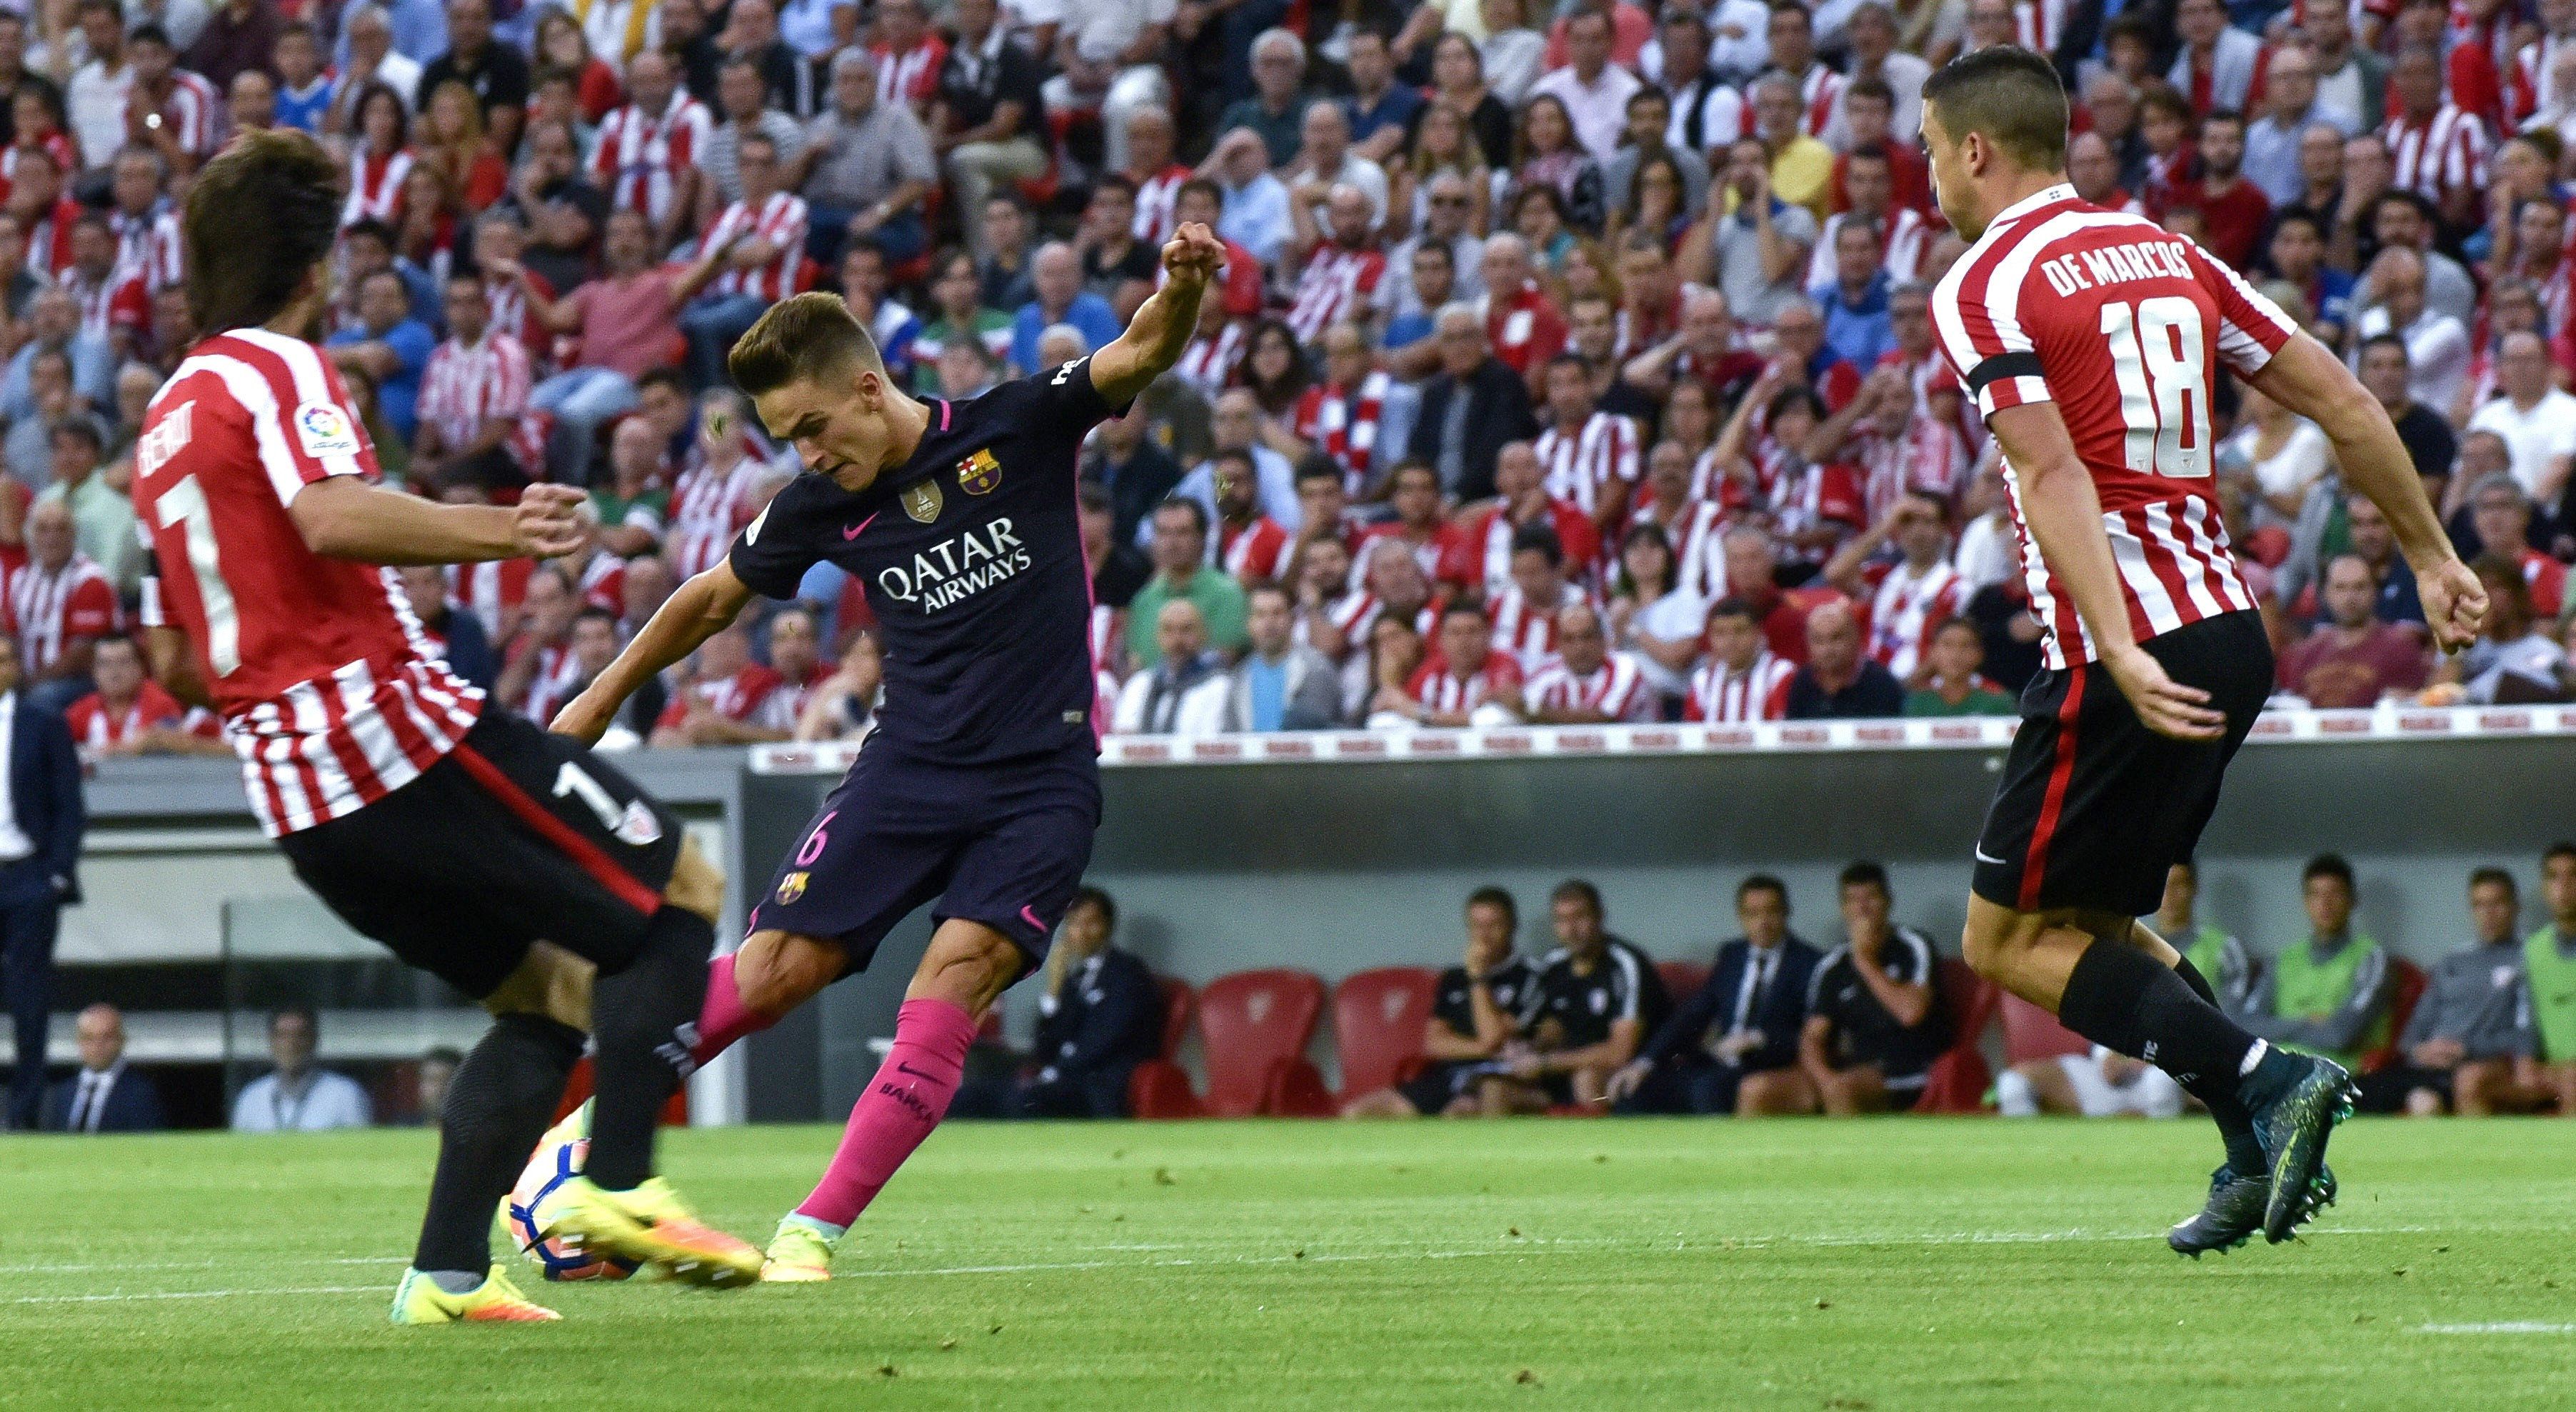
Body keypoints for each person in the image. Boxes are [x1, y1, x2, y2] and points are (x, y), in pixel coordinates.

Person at [134, 131, 755, 1321]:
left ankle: (447, 1274)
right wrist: (504, 531)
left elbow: (176, 652)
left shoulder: (166, 420)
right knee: (677, 884)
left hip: (301, 802)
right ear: (312, 271)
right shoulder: (279, 370)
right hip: (389, 736)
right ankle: (615, 1185)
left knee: (548, 994)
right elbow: (327, 514)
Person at [548, 222, 1227, 1282]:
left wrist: (1180, 287)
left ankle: (808, 1236)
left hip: (1038, 781)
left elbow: (1139, 350)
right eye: (786, 438)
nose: (807, 453)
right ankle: (572, 1155)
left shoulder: (1019, 422)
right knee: (776, 969)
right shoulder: (820, 501)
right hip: (904, 772)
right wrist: (595, 700)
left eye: (813, 425)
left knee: (953, 975)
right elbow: (707, 600)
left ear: (868, 388)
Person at [1919, 47, 2482, 1251]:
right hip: (2229, 630)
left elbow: (2049, 467)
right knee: (2106, 923)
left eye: (1928, 151)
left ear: (1975, 149)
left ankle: (2272, 1081)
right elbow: (2342, 401)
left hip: (2127, 646)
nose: (1927, 179)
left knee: (2004, 938)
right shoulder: (2170, 253)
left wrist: (2114, 645)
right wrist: (2432, 556)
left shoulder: (1982, 284)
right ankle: (2248, 1154)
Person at [1607, 874, 1821, 1116]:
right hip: (1718, 1062)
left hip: (1766, 1065)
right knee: (1635, 1093)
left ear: (1786, 913)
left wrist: (1758, 1038)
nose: (1762, 923)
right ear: (1741, 918)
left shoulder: (1809, 963)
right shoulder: (1733, 956)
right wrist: (1644, 1062)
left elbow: (1811, 1032)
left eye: (1771, 912)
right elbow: (1694, 1014)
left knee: (1708, 1090)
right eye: (1753, 914)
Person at [2355, 868, 2550, 1116]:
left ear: (2515, 907)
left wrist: (2466, 1049)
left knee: (2427, 1102)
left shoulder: (2529, 957)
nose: (2488, 914)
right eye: (2479, 905)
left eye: (2497, 903)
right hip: (2425, 1065)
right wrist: (2419, 1051)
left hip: (2473, 1065)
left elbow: (2525, 1034)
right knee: (2352, 1094)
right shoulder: (2452, 961)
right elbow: (2412, 1032)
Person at [954, 888, 1162, 1119]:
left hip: (1095, 1085)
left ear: (1108, 926)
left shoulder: (1127, 975)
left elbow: (1105, 1041)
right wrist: (1053, 991)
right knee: (968, 1098)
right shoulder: (1074, 980)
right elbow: (1044, 1049)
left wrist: (1054, 1072)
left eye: (1090, 924)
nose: (1081, 933)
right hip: (1057, 1080)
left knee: (1023, 1102)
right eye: (1073, 924)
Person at [1343, 886, 1537, 1118]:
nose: (1484, 935)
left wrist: (1478, 978)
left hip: (1495, 1077)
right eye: (1477, 926)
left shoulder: (1529, 975)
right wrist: (1483, 1048)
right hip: (1447, 1074)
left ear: (1512, 926)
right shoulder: (1453, 978)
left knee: (1457, 1114)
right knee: (1357, 1113)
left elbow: (1493, 1036)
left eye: (1494, 926)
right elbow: (1435, 1044)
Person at [1488, 880, 1668, 1111]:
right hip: (1563, 1070)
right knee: (1493, 1090)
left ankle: (1602, 1147)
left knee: (1586, 1081)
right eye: (1562, 920)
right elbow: (1549, 1024)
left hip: (1629, 1076)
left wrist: (1546, 1063)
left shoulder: (1624, 963)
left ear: (1599, 917)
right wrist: (1530, 1047)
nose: (1571, 929)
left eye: (1579, 917)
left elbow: (1620, 1052)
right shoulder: (1554, 964)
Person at [0, 634, 82, 1132]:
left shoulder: (43, 723)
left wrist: (56, 873)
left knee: (30, 1004)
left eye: (7, 658)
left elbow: (69, 803)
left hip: (28, 875)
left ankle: (24, 1117)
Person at [1795, 861, 1947, 1116]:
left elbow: (1911, 1013)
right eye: (1853, 901)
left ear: (1888, 901)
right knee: (1758, 1090)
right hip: (1859, 1072)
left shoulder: (1913, 946)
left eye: (1871, 898)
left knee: (1843, 1091)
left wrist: (1865, 961)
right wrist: (1825, 1081)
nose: (1863, 909)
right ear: (1843, 909)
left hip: (1913, 1073)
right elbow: (1813, 1038)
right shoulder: (1833, 966)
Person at [2241, 855, 2392, 1079]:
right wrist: (2308, 1021)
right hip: (2281, 1076)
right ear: (2305, 901)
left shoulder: (2371, 958)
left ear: (2352, 900)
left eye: (2335, 894)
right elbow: (2245, 1026)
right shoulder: (2283, 960)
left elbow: (2340, 1035)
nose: (2325, 903)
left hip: (2347, 1078)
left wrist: (2280, 1028)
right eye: (2315, 894)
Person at [2276, 554, 2429, 707]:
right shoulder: (2305, 654)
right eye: (2340, 587)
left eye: (2359, 587)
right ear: (2325, 593)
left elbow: (2414, 707)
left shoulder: (2400, 649)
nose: (2350, 598)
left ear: (2375, 591)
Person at [230, 1006, 373, 1131]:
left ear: (314, 1040)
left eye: (300, 1035)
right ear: (271, 1041)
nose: (291, 1044)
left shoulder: (345, 1095)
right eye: (283, 1036)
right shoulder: (251, 1098)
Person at [1223, 582, 1340, 731]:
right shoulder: (1239, 676)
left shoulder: (1317, 669)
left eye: (1277, 613)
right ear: (1248, 623)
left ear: (1292, 619)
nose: (1269, 623)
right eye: (1260, 615)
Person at [41, 1003, 161, 1132]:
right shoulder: (59, 1094)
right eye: (89, 1038)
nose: (97, 1046)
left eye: (107, 1037)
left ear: (121, 1040)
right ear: (78, 1041)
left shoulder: (140, 1094)